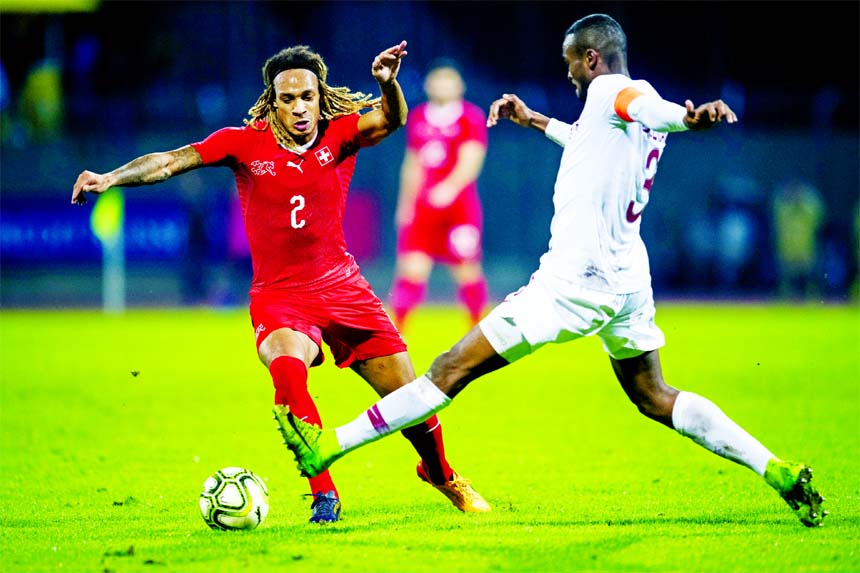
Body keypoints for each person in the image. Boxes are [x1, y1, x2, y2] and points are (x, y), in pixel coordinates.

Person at [273, 15, 827, 528]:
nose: (568, 76)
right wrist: (534, 119)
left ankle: (328, 445)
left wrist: (691, 117)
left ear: (591, 59)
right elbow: (593, 137)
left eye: (569, 64)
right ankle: (772, 466)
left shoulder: (618, 92)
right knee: (653, 394)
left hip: (573, 282)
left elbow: (646, 107)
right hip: (628, 277)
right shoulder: (611, 111)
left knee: (448, 370)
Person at [71, 41, 490, 523]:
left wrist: (386, 83)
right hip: (281, 299)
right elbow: (170, 160)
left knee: (411, 403)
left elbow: (392, 119)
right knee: (287, 372)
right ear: (272, 102)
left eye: (306, 97)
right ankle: (324, 494)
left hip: (344, 289)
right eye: (287, 98)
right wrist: (110, 177)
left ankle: (440, 473)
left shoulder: (341, 134)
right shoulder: (243, 143)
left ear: (319, 96)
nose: (298, 107)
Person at [389, 60, 489, 332]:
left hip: (459, 209)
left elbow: (472, 159)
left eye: (449, 80)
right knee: (411, 269)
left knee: (467, 269)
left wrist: (449, 188)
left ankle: (478, 330)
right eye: (438, 80)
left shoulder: (470, 116)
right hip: (424, 208)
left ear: (460, 86)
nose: (443, 85)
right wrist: (406, 204)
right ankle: (396, 333)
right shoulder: (419, 116)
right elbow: (412, 163)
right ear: (429, 84)